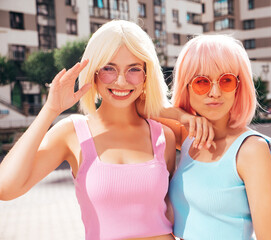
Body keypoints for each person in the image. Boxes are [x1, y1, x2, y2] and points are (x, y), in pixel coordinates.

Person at [0, 20, 178, 240]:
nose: (121, 81)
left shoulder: (164, 136)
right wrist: (50, 110)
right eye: (109, 69)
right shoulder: (72, 133)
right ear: (93, 73)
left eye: (133, 69)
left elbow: (172, 211)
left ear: (146, 76)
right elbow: (6, 188)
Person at [167, 35, 271, 239]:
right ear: (186, 87)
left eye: (226, 80)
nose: (215, 92)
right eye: (201, 82)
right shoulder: (188, 137)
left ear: (239, 86)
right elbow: (140, 106)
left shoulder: (251, 149)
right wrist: (180, 115)